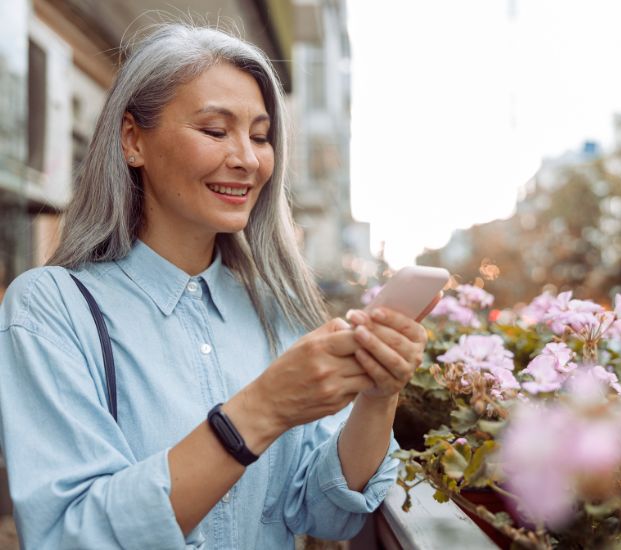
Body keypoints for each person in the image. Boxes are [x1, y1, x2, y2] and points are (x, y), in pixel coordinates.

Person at [0, 23, 435, 549]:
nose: (248, 160)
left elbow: (325, 514)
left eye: (259, 135)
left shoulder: (279, 312)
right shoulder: (50, 308)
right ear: (133, 140)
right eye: (214, 130)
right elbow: (70, 536)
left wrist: (376, 395)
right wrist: (262, 409)